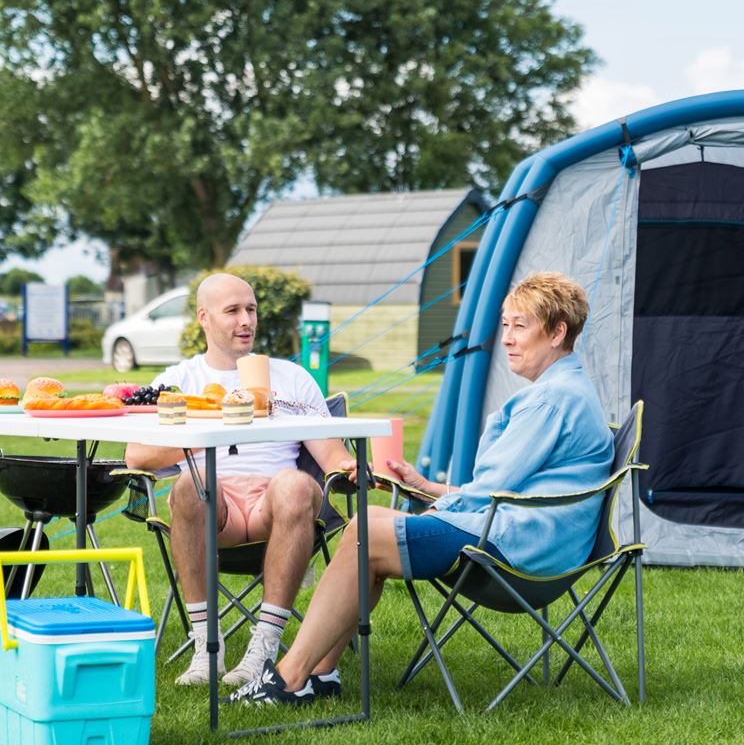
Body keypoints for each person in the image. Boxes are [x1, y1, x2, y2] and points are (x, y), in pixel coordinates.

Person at [228, 271, 615, 704]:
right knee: (369, 528)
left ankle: (286, 677)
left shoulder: (551, 399)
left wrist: (437, 505)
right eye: (504, 325)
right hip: (528, 534)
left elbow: (492, 489)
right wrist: (428, 488)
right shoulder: (565, 390)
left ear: (558, 332)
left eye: (520, 326)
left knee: (365, 532)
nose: (507, 338)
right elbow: (498, 487)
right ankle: (319, 675)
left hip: (519, 546)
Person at [123, 273, 352, 688]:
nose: (246, 320)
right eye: (233, 311)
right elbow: (137, 454)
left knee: (296, 483)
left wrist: (357, 469)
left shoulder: (291, 378)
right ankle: (206, 649)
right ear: (204, 318)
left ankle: (263, 647)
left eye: (251, 309)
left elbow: (333, 457)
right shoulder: (178, 383)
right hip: (214, 508)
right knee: (191, 484)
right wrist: (207, 431)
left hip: (276, 505)